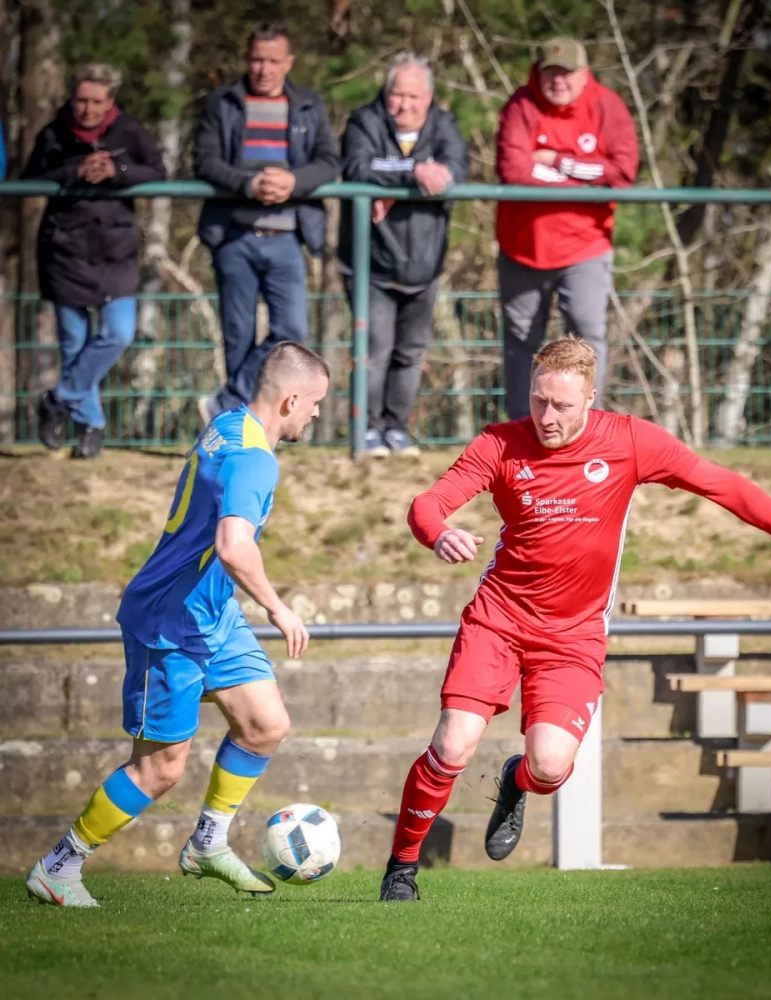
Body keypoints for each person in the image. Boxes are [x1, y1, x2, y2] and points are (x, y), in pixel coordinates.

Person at [378, 336, 771, 901]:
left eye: (562, 405)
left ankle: (515, 780)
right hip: (497, 621)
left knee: (549, 767)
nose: (547, 416)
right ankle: (401, 870)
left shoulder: (629, 441)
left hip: (572, 637)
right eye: (538, 400)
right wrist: (439, 533)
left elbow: (721, 483)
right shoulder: (499, 443)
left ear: (590, 398)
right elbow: (427, 503)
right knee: (453, 746)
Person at [26, 342, 330, 907]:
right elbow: (233, 546)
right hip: (169, 619)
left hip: (211, 612)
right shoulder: (255, 458)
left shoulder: (229, 425)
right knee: (160, 770)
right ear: (291, 400)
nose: (316, 414)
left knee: (265, 724)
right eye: (315, 403)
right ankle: (59, 865)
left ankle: (207, 843)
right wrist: (278, 607)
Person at [194, 22, 339, 425]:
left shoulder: (308, 104)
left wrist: (293, 181)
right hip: (233, 236)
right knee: (237, 337)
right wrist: (249, 184)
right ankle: (241, 427)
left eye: (273, 61)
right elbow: (205, 161)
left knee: (291, 330)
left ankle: (227, 405)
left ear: (288, 63)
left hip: (288, 237)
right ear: (247, 59)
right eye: (257, 59)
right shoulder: (223, 102)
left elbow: (329, 162)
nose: (264, 69)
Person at [22, 63, 167, 459]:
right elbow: (32, 176)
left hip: (115, 250)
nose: (88, 109)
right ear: (71, 99)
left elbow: (157, 172)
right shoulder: (53, 133)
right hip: (65, 249)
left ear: (110, 101)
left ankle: (58, 399)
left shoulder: (130, 131)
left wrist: (117, 171)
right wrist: (75, 171)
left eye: (96, 101)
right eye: (81, 100)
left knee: (119, 333)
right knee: (73, 343)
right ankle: (91, 427)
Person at [496, 38, 639, 418]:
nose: (558, 81)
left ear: (584, 74)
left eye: (567, 73)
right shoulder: (521, 105)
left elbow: (623, 171)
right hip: (522, 246)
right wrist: (586, 180)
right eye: (550, 73)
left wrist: (559, 162)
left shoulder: (607, 105)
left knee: (587, 335)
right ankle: (522, 425)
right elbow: (514, 170)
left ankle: (589, 424)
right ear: (537, 73)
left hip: (585, 245)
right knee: (521, 342)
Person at [337, 53, 468, 456]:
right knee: (374, 350)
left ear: (428, 98)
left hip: (425, 265)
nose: (404, 105)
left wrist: (394, 188)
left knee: (410, 354)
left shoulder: (444, 125)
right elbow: (356, 167)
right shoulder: (365, 121)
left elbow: (455, 171)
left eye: (414, 97)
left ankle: (396, 429)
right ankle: (367, 431)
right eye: (397, 95)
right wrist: (411, 175)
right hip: (371, 264)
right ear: (386, 92)